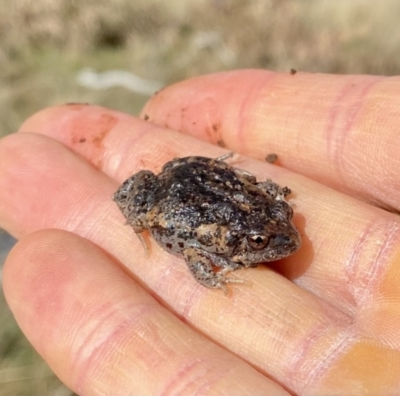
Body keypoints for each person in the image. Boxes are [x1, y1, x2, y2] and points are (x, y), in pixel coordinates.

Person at [1, 70, 399, 395]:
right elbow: (194, 253)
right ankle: (143, 215)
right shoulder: (217, 240)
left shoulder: (264, 214)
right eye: (261, 242)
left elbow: (265, 199)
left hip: (198, 176)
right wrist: (210, 274)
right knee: (143, 210)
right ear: (239, 243)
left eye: (281, 218)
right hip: (178, 192)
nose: (285, 240)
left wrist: (270, 201)